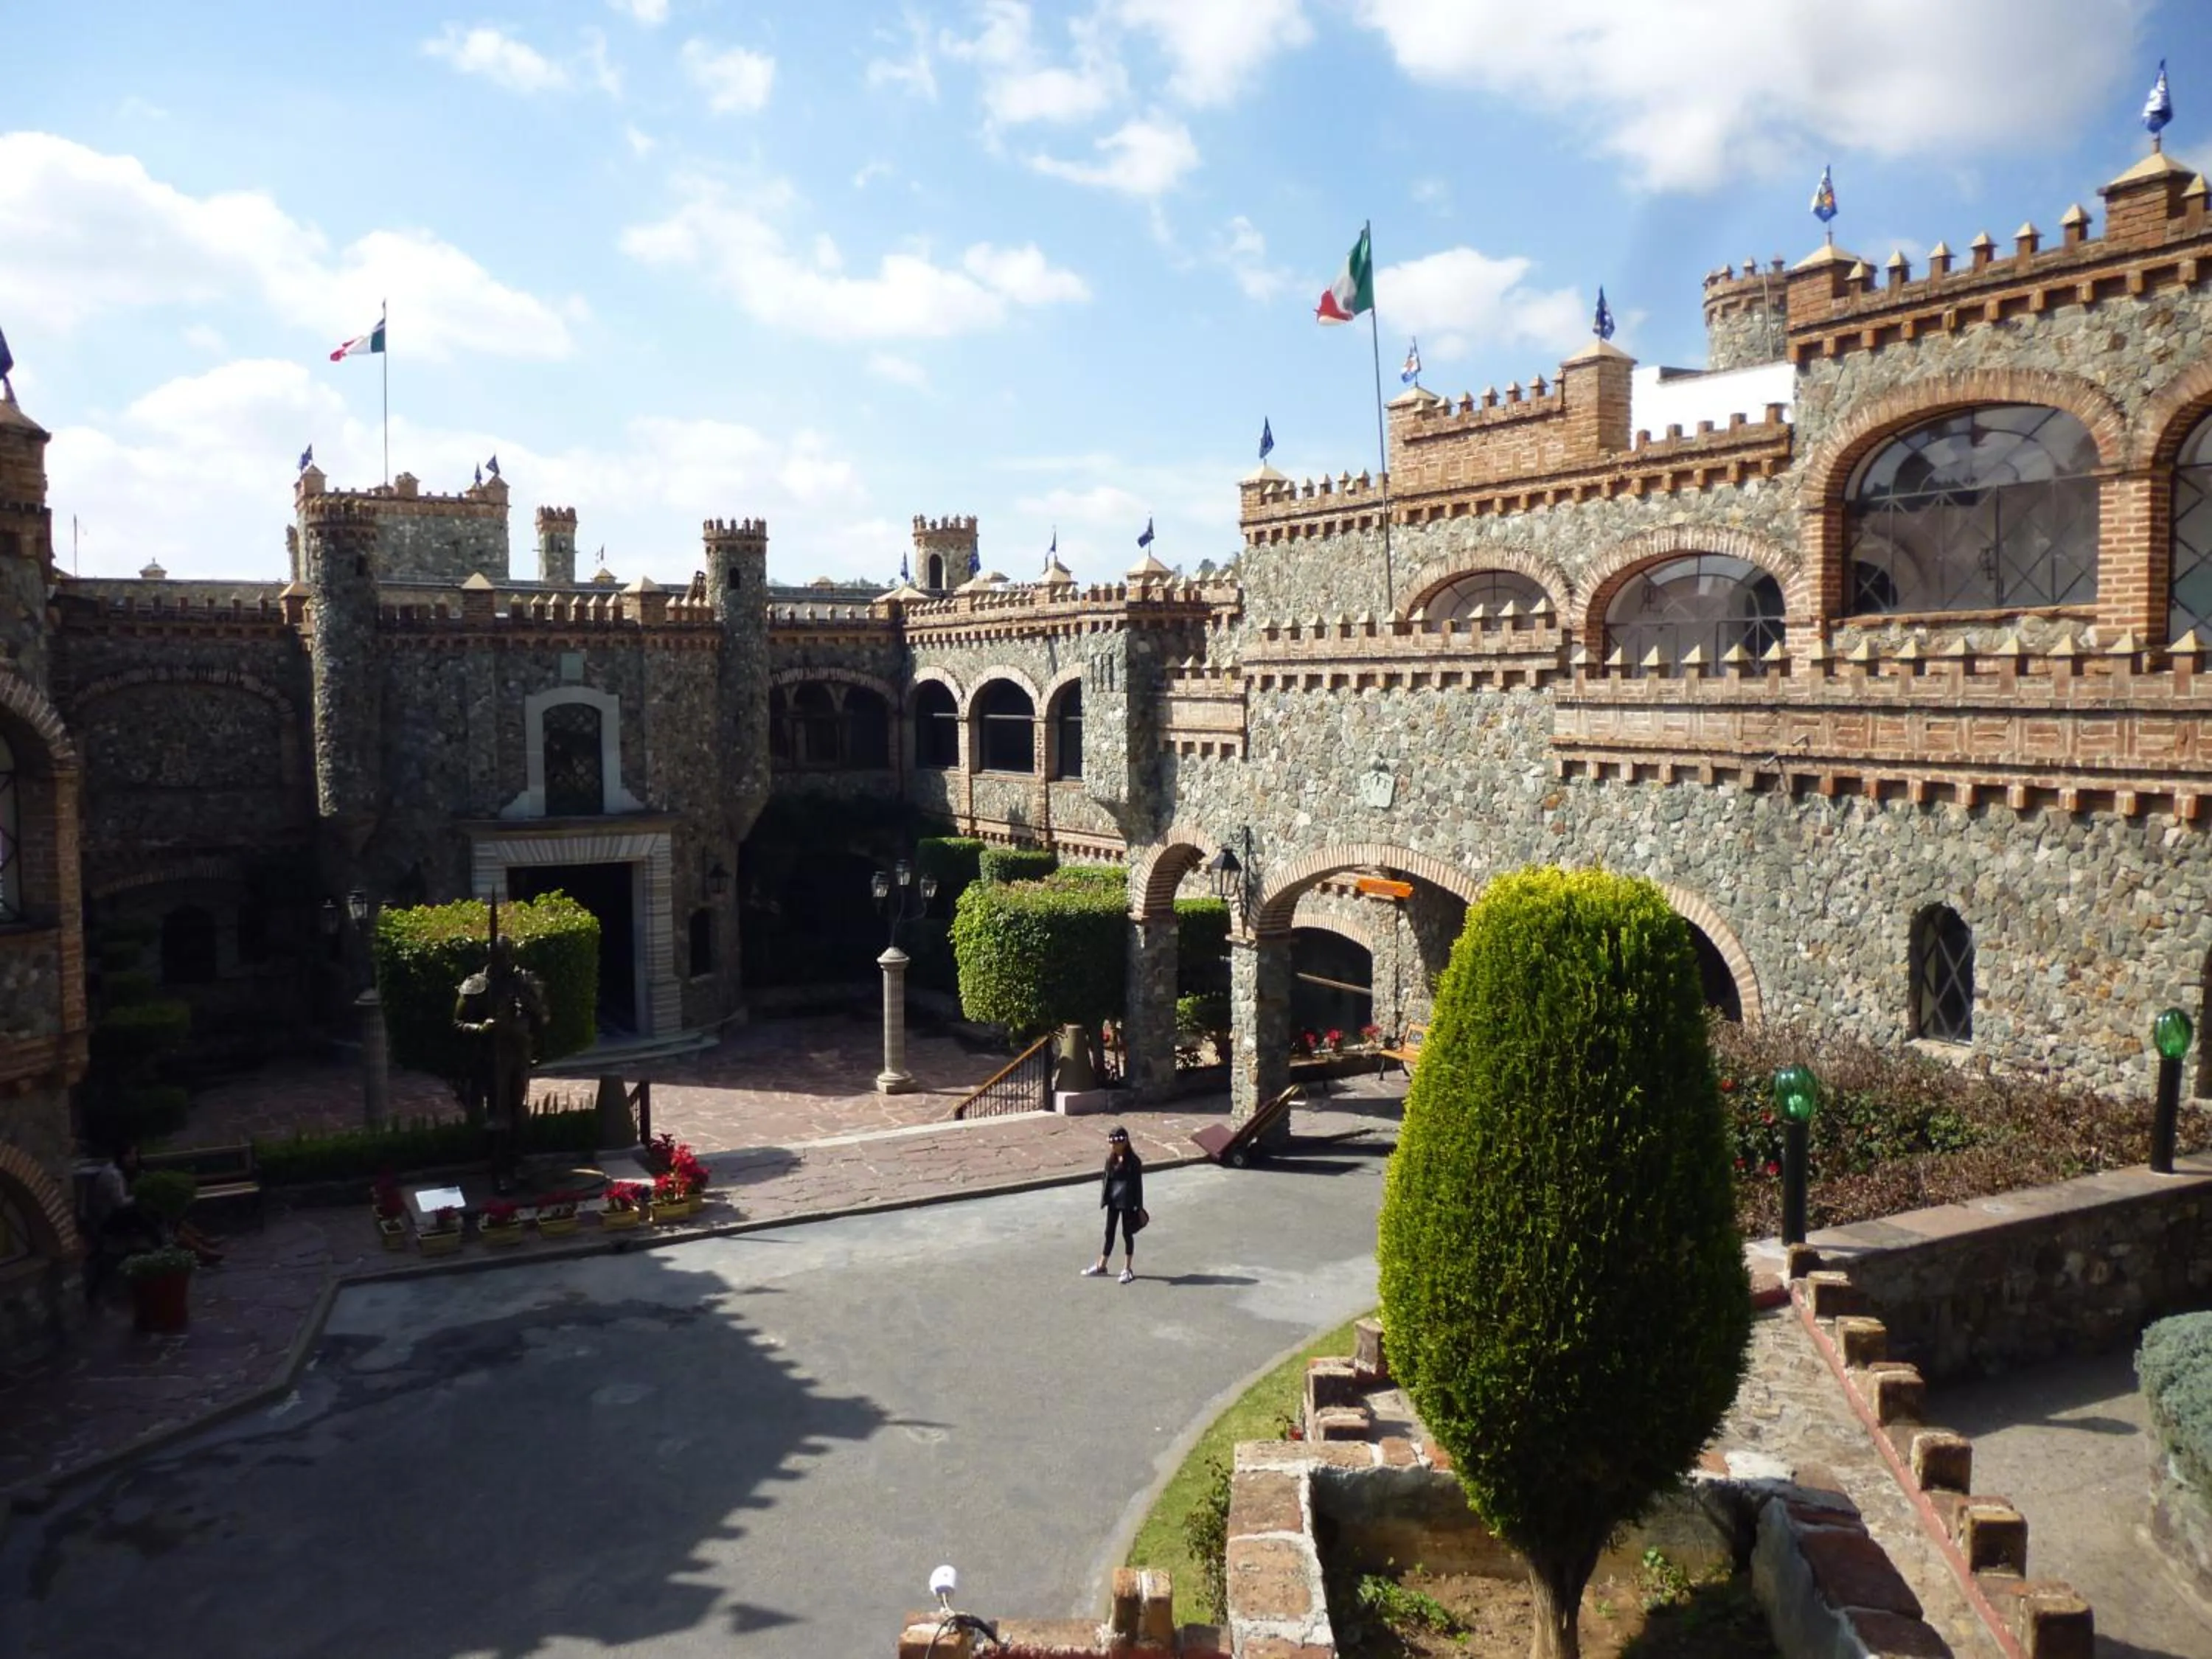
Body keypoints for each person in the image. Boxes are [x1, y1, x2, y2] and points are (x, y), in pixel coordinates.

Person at [1082, 1126, 1145, 1284]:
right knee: (1109, 1232)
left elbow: (1138, 1186)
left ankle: (1127, 1268)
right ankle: (1102, 1265)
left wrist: (1138, 1206)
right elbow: (1107, 1180)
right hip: (1113, 1202)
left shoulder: (1134, 1162)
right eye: (1111, 1143)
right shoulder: (1110, 1160)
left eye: (1115, 1143)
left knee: (1127, 1234)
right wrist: (1105, 1198)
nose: (1112, 1146)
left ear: (1124, 1143)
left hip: (1128, 1203)